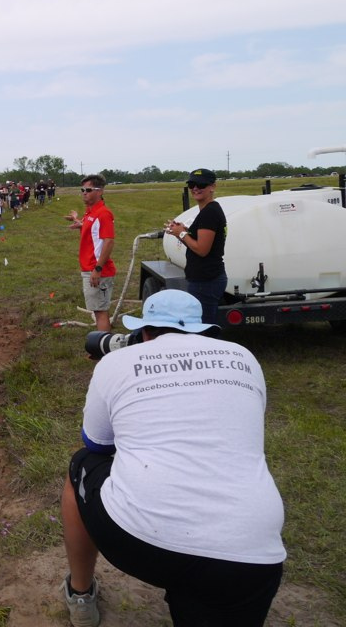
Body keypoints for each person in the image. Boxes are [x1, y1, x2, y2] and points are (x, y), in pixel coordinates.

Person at [60, 290, 284, 627]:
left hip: (141, 539)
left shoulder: (115, 362)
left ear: (144, 331)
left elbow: (97, 443)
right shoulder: (244, 358)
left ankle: (80, 595)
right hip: (251, 554)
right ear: (202, 329)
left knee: (81, 464)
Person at [165, 168, 227, 325]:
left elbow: (202, 249)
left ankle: (210, 349)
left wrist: (181, 234)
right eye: (192, 184)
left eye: (201, 184)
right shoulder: (208, 210)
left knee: (203, 327)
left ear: (212, 187)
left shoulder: (209, 213)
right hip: (206, 279)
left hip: (206, 281)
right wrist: (183, 231)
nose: (195, 188)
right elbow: (201, 242)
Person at [65, 175, 116, 331]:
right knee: (97, 309)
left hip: (97, 270)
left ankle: (102, 350)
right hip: (89, 268)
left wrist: (98, 269)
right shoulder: (90, 213)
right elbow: (93, 231)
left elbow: (108, 241)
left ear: (99, 191)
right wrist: (80, 224)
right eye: (82, 190)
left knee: (100, 312)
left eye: (88, 190)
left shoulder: (103, 213)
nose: (84, 193)